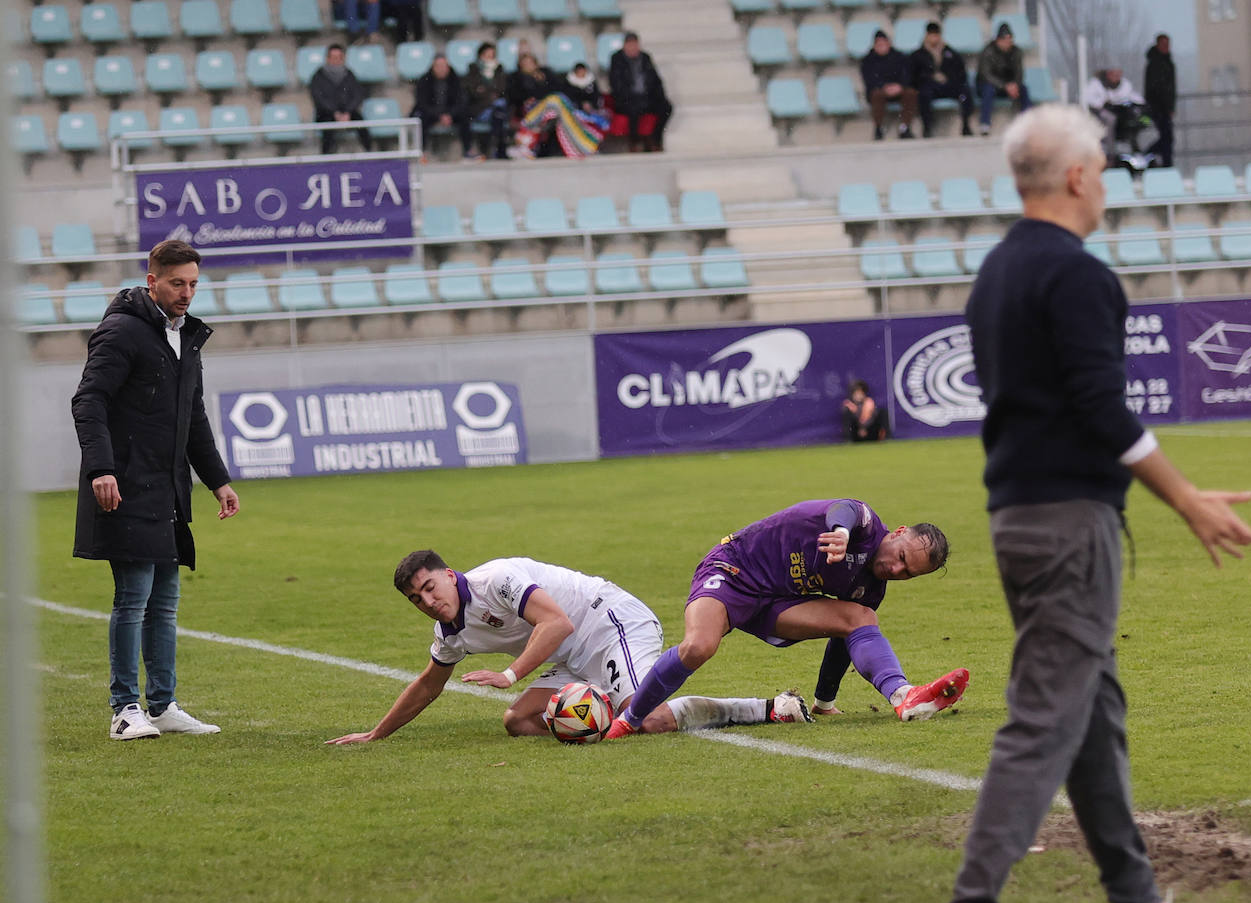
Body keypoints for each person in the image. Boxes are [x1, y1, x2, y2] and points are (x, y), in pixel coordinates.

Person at [928, 104, 1251, 903]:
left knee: (1092, 717)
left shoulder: (997, 270)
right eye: (1103, 169)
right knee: (1045, 720)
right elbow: (1102, 408)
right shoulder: (1075, 275)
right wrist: (1187, 498)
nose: (1106, 182)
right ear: (1076, 177)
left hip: (1021, 517)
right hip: (1069, 525)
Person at [325, 551, 815, 746]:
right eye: (417, 599)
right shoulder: (451, 633)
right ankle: (598, 710)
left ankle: (770, 707)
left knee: (652, 719)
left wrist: (511, 675)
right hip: (570, 656)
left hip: (611, 621)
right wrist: (376, 734)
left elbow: (556, 624)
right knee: (517, 722)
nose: (428, 601)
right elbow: (428, 684)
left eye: (431, 587)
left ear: (449, 575)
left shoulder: (497, 580)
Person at [604, 500, 970, 739]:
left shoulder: (870, 587)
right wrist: (841, 534)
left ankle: (904, 696)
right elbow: (843, 510)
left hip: (778, 603)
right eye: (902, 557)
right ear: (899, 532)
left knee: (860, 618)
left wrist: (824, 702)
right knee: (699, 646)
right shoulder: (864, 523)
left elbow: (842, 638)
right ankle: (631, 718)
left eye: (907, 574)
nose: (896, 569)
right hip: (735, 570)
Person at [71, 240, 241, 741]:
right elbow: (88, 401)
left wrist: (217, 480)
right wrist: (101, 469)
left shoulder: (186, 336)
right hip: (123, 487)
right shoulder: (121, 332)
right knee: (134, 598)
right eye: (176, 284)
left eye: (192, 284)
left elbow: (193, 417)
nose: (186, 293)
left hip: (167, 489)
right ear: (152, 282)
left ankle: (163, 705)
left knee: (164, 601)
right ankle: (125, 708)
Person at [608, 31, 672, 152]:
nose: (633, 47)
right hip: (627, 98)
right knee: (634, 108)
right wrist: (629, 96)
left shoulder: (645, 57)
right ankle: (635, 141)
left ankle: (655, 138)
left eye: (635, 44)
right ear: (625, 46)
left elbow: (656, 80)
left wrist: (660, 96)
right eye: (630, 44)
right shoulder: (616, 59)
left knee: (666, 107)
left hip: (646, 97)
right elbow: (616, 83)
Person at [911, 21, 973, 138]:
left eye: (936, 34)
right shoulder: (919, 55)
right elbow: (915, 76)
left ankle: (966, 124)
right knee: (924, 94)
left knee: (964, 91)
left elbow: (960, 73)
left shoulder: (950, 53)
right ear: (927, 36)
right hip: (930, 86)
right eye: (932, 34)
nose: (934, 37)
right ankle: (927, 127)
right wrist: (931, 77)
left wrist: (948, 77)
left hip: (948, 85)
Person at [310, 43, 372, 154]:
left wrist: (348, 111)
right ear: (327, 58)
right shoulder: (318, 76)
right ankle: (325, 160)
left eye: (339, 57)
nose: (336, 60)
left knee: (362, 125)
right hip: (326, 114)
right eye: (333, 57)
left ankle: (370, 155)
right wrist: (335, 112)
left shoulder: (349, 74)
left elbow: (357, 95)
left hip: (348, 112)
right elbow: (319, 98)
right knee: (327, 129)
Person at [975, 22, 1031, 136]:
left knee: (1023, 89)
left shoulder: (1016, 52)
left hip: (1008, 85)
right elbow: (985, 74)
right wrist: (1005, 86)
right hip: (990, 85)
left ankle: (1029, 122)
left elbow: (1019, 73)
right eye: (1005, 40)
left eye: (1010, 40)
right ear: (998, 40)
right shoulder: (988, 52)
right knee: (988, 90)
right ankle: (985, 124)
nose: (1008, 43)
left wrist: (1015, 85)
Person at [860, 30, 916, 141]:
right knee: (876, 95)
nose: (881, 46)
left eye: (883, 43)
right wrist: (884, 87)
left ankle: (905, 127)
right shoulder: (868, 60)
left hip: (898, 89)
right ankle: (878, 128)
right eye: (878, 44)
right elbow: (869, 80)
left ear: (889, 43)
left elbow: (907, 75)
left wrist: (900, 86)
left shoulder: (899, 57)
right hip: (880, 90)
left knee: (910, 93)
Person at [411, 54, 469, 155]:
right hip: (431, 114)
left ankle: (467, 151)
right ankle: (421, 152)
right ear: (433, 67)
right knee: (420, 118)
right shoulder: (424, 81)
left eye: (444, 66)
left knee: (465, 116)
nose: (441, 69)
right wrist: (439, 116)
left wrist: (450, 115)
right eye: (438, 66)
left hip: (451, 115)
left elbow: (461, 102)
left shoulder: (456, 80)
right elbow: (422, 103)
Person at [462, 42, 510, 160]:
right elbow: (473, 91)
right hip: (479, 108)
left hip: (494, 108)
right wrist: (490, 94)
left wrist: (485, 91)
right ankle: (498, 149)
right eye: (486, 55)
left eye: (492, 55)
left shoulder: (499, 69)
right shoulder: (473, 70)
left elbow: (502, 89)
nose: (489, 58)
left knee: (498, 110)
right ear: (480, 55)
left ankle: (494, 149)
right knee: (498, 110)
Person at [1082, 68, 1144, 156]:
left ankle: (1134, 148)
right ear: (1108, 74)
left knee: (1134, 120)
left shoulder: (1124, 84)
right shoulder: (1096, 84)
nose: (1117, 78)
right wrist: (1104, 101)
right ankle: (1110, 152)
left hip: (1119, 111)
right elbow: (1089, 100)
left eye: (1119, 75)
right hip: (1098, 113)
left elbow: (1131, 96)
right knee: (1110, 119)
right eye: (1114, 75)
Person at [1144, 33, 1176, 167]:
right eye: (1163, 44)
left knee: (1167, 138)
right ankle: (1147, 157)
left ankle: (1160, 161)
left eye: (1167, 44)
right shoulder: (1154, 64)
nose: (1166, 47)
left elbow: (1171, 88)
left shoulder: (1168, 62)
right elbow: (1154, 88)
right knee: (1167, 137)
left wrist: (1171, 107)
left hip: (1166, 108)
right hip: (1157, 107)